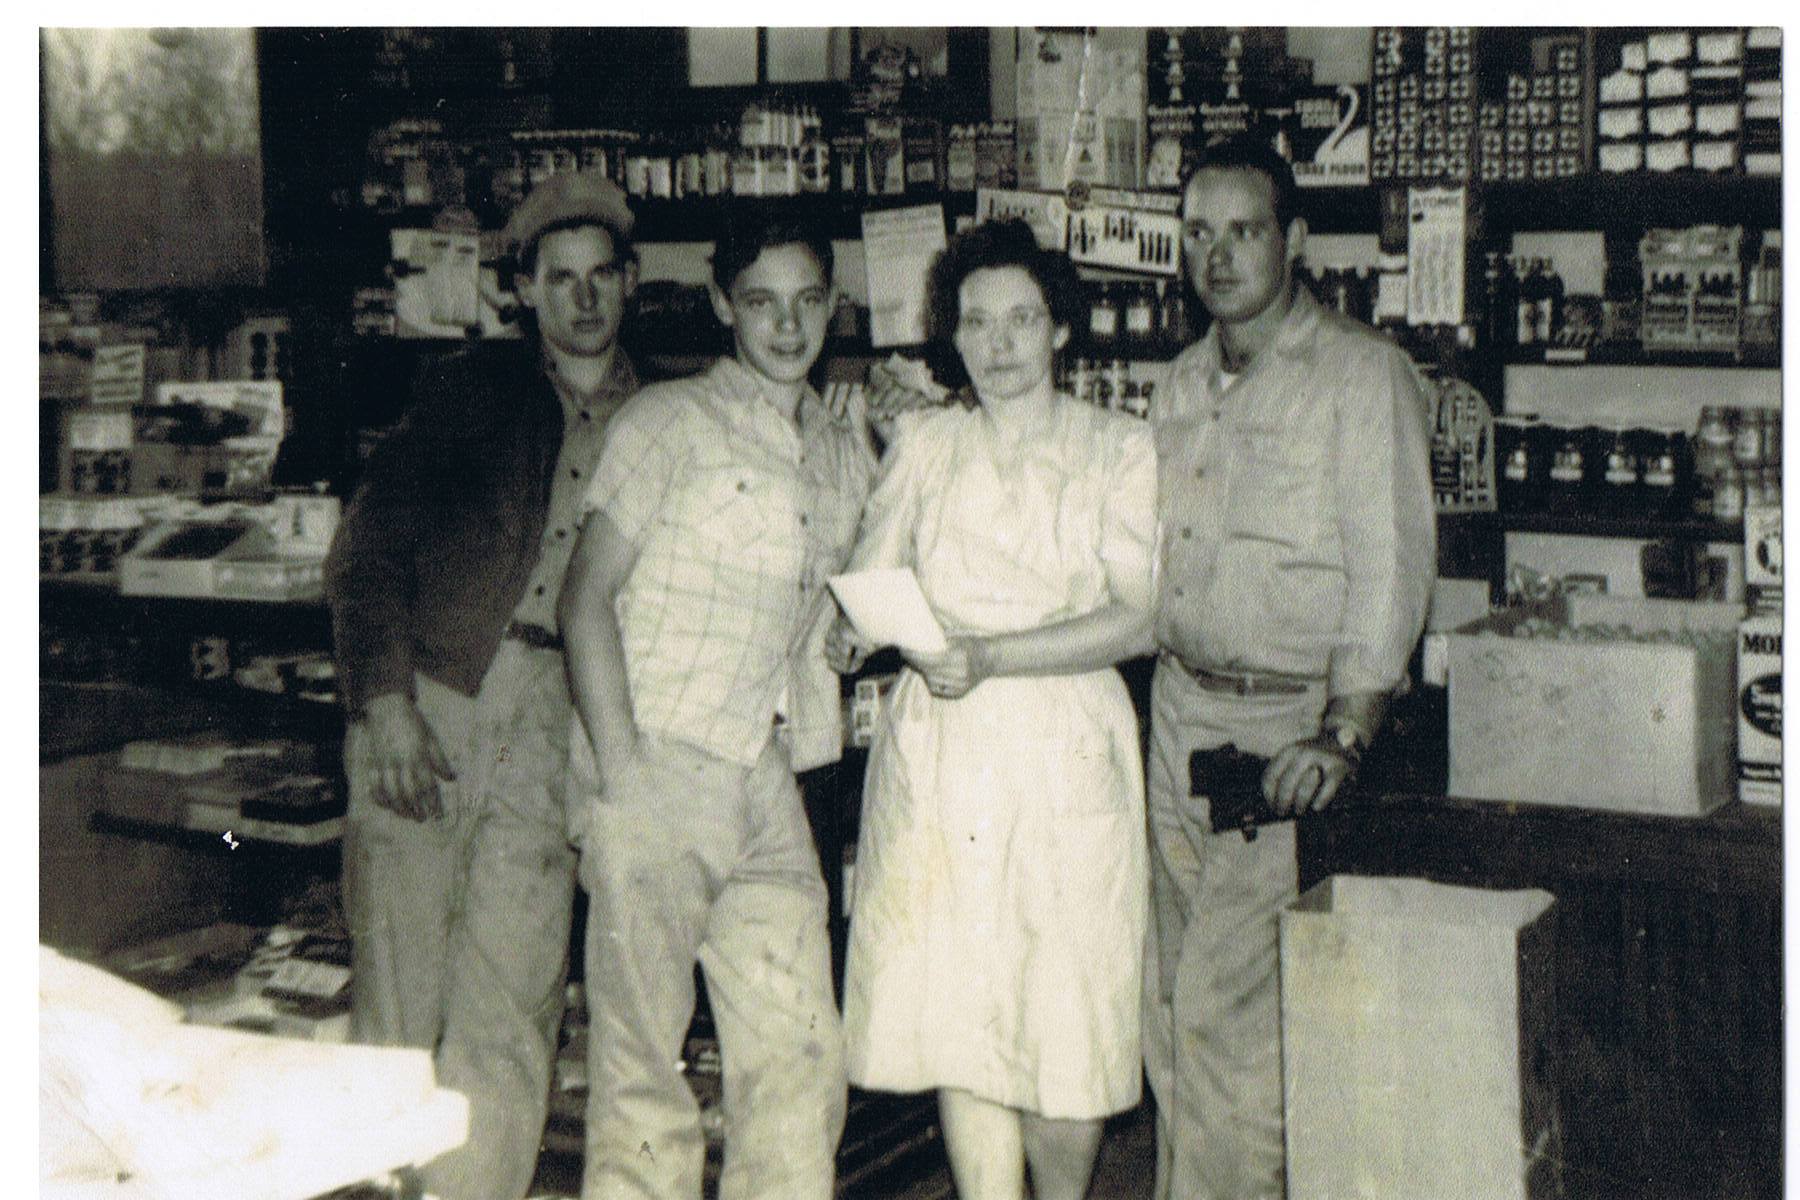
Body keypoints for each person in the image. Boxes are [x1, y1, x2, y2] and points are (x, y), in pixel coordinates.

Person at [323, 171, 641, 1200]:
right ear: (526, 291)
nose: (583, 298)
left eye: (602, 276)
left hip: (561, 717)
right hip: (434, 697)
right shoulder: (469, 391)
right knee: (397, 1000)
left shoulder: (665, 414)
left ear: (630, 282)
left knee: (512, 1008)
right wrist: (385, 702)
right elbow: (365, 549)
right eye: (561, 278)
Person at [829, 219, 1158, 1200]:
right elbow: (873, 576)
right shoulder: (927, 443)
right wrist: (856, 632)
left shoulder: (1119, 447)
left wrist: (992, 655)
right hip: (942, 748)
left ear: (1061, 328)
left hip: (1064, 741)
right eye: (976, 322)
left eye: (1021, 319)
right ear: (953, 336)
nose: (999, 343)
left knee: (1066, 1012)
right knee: (959, 1010)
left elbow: (1138, 618)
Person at [1142, 134, 1436, 1200]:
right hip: (1177, 716)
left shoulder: (1361, 374)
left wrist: (1344, 733)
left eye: (1245, 231)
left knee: (1231, 1027)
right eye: (1198, 234)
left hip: (1282, 738)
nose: (1217, 257)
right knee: (1171, 1011)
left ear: (1296, 239)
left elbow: (1391, 566)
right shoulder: (1178, 384)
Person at [558, 215, 874, 1200]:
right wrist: (624, 776)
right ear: (722, 306)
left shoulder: (840, 446)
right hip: (660, 757)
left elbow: (842, 601)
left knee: (800, 1057)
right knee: (642, 1075)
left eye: (808, 300)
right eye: (762, 302)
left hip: (766, 771)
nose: (788, 325)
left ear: (833, 305)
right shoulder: (668, 422)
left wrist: (849, 631)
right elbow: (583, 600)